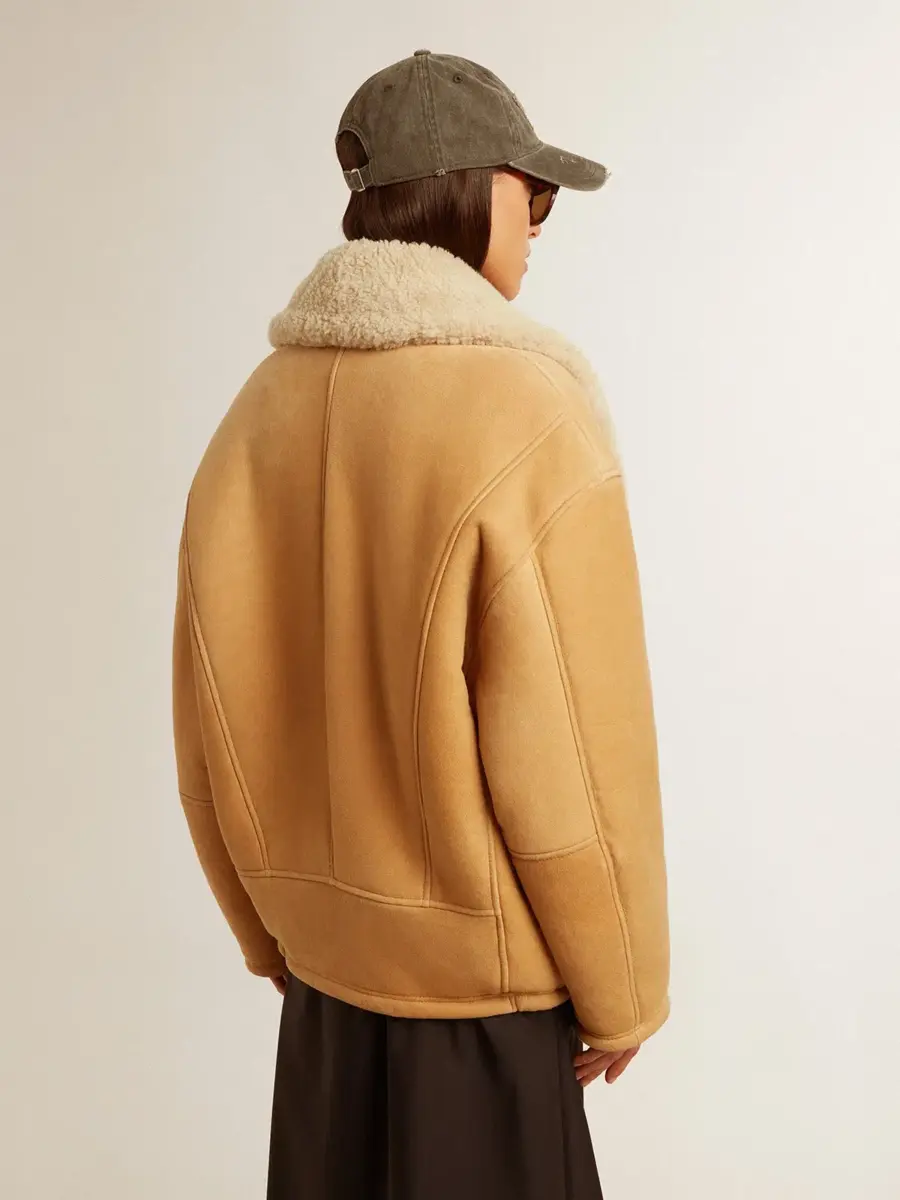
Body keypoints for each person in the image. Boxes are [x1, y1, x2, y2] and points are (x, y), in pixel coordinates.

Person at [171, 49, 670, 1200]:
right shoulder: (525, 414)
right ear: (472, 190)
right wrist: (626, 988)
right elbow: (577, 754)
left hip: (324, 1005)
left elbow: (207, 728)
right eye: (530, 194)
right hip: (482, 1015)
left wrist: (268, 936)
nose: (537, 225)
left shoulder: (252, 417)